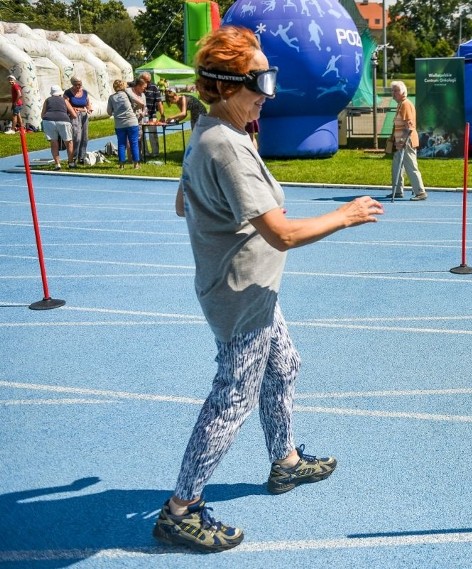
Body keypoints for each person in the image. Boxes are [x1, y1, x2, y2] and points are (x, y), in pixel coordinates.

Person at [154, 25, 384, 553]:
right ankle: (180, 509)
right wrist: (346, 215)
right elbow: (281, 232)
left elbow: (182, 201)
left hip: (253, 287)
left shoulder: (215, 133)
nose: (268, 93)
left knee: (285, 365)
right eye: (261, 81)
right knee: (232, 397)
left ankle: (285, 462)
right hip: (240, 294)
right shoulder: (226, 146)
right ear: (228, 84)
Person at [386, 80, 427, 201]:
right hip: (399, 142)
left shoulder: (405, 104)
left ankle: (420, 192)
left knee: (411, 166)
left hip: (406, 142)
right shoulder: (400, 104)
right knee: (396, 166)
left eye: (396, 91)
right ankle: (397, 191)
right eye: (392, 91)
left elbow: (409, 125)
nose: (393, 93)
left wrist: (403, 140)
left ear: (403, 92)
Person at [106, 79, 141, 169]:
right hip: (132, 121)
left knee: (121, 144)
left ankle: (121, 165)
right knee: (134, 143)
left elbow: (109, 112)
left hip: (119, 123)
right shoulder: (127, 94)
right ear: (124, 86)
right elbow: (141, 103)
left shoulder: (111, 97)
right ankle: (136, 164)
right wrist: (134, 109)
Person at [40, 85, 76, 170]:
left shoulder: (47, 100)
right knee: (69, 142)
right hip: (63, 120)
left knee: (54, 142)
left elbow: (42, 115)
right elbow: (74, 115)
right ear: (60, 93)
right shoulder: (64, 100)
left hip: (48, 121)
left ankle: (57, 164)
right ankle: (71, 163)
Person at [63, 76, 92, 167]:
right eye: (76, 85)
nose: (78, 86)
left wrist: (89, 108)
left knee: (84, 137)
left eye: (80, 84)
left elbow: (87, 103)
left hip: (84, 115)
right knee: (77, 136)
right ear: (72, 84)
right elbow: (66, 104)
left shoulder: (84, 92)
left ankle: (82, 157)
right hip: (74, 115)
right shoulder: (68, 93)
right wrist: (72, 109)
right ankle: (73, 157)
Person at [139, 72, 165, 156]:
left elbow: (159, 102)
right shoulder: (137, 86)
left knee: (153, 134)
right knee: (141, 135)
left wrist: (162, 115)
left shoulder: (154, 87)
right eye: (146, 81)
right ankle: (145, 152)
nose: (148, 83)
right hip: (140, 115)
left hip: (151, 114)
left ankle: (155, 153)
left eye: (149, 81)